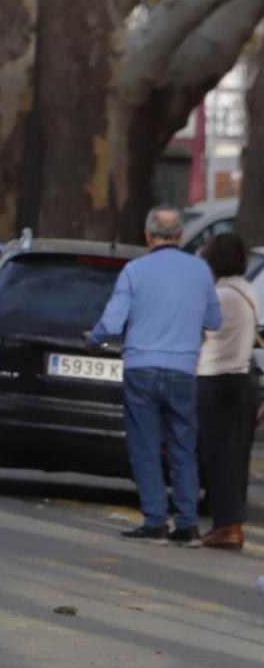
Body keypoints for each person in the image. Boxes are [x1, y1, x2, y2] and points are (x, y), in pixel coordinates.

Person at [87, 207, 222, 544]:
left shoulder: (135, 270)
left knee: (145, 446)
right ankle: (187, 524)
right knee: (182, 446)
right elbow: (215, 321)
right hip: (182, 370)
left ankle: (155, 521)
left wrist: (93, 339)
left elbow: (113, 323)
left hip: (141, 368)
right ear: (179, 235)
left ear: (148, 236)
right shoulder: (201, 271)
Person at [195, 233, 258, 550]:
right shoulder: (245, 290)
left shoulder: (221, 295)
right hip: (239, 377)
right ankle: (231, 521)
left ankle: (226, 524)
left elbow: (201, 329)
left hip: (215, 377)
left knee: (217, 454)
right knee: (233, 454)